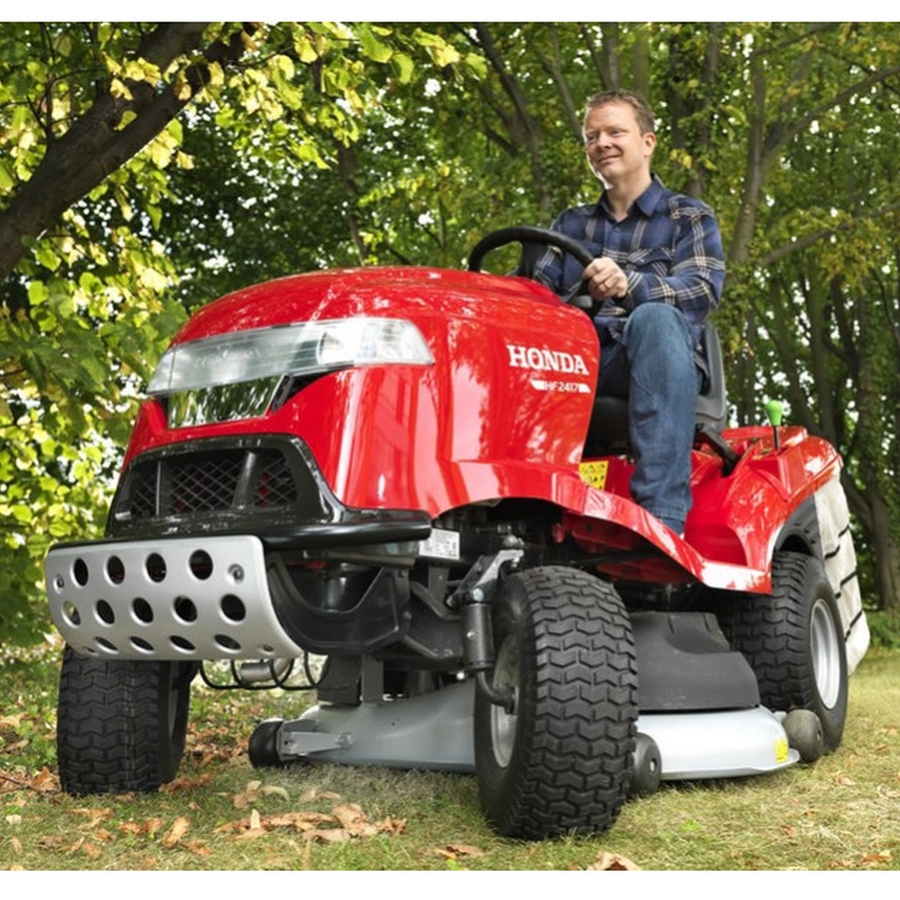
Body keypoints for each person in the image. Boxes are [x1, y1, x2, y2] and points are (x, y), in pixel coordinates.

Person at [534, 89, 726, 536]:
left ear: (647, 142)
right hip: (579, 364)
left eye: (614, 132)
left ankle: (662, 523)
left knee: (654, 318)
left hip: (653, 359)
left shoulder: (688, 218)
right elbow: (534, 295)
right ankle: (510, 511)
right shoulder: (569, 226)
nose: (601, 143)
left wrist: (630, 285)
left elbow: (701, 290)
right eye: (592, 136)